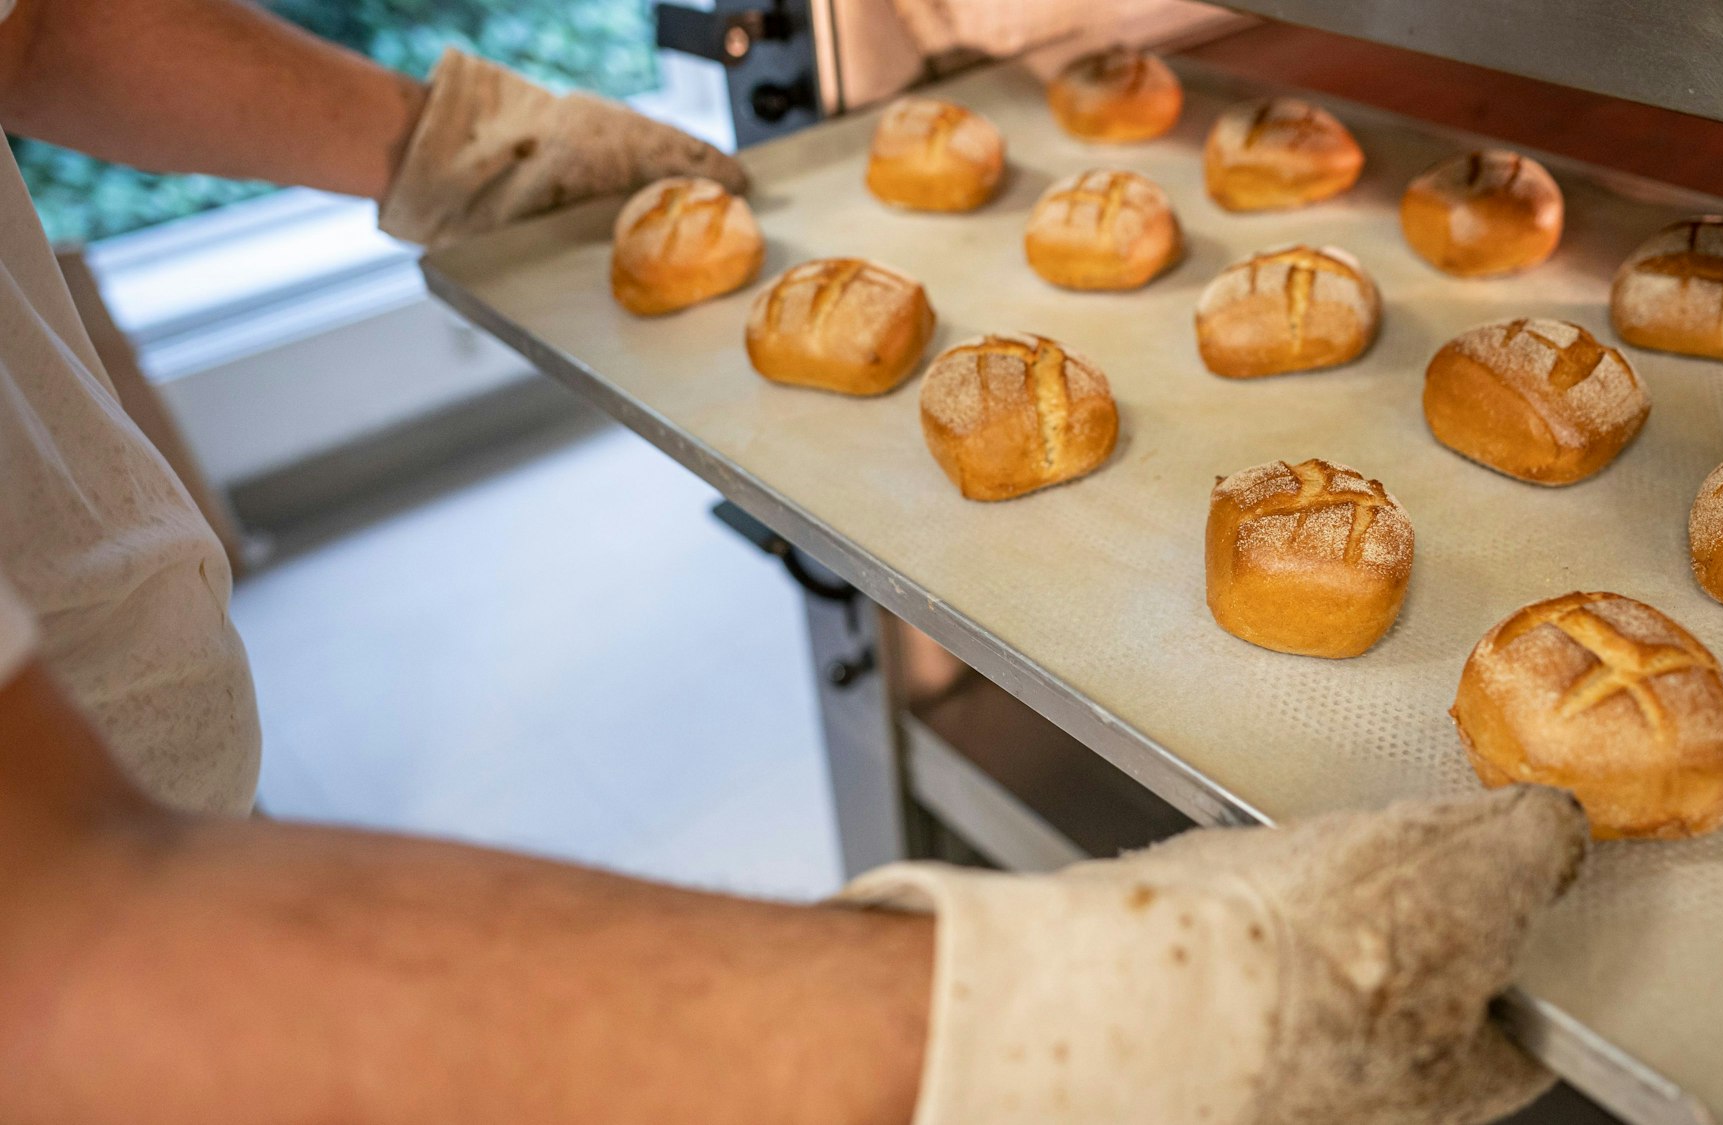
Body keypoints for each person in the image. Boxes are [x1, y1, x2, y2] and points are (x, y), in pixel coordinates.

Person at [0, 0, 1591, 1120]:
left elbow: (36, 25)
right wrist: (1072, 1024)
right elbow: (55, 967)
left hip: (148, 786)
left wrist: (443, 141)